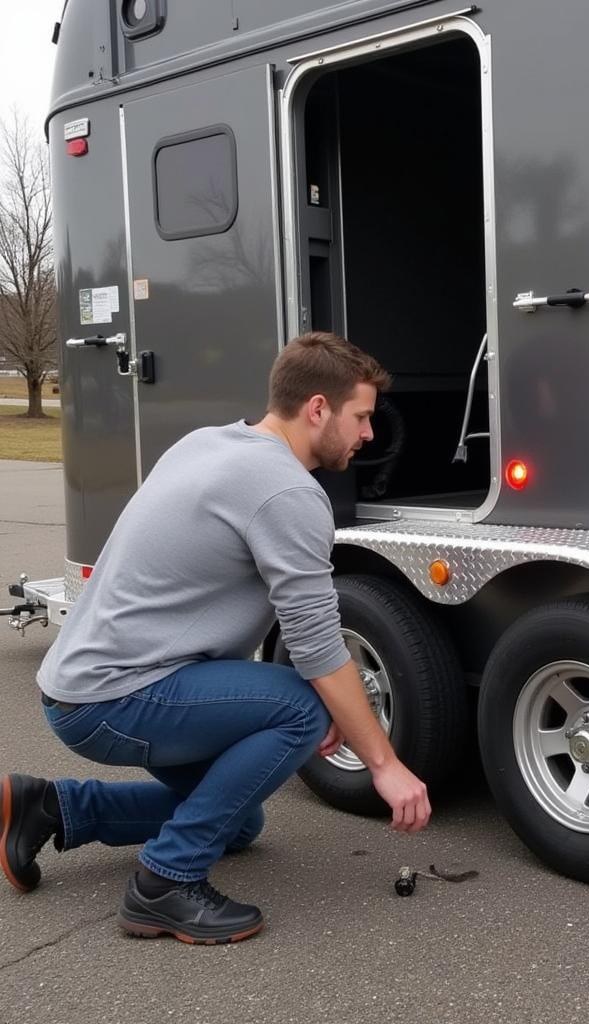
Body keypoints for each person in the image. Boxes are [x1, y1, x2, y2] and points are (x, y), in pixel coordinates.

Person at [0, 332, 430, 945]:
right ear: (316, 408)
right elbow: (315, 647)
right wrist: (382, 763)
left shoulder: (210, 442)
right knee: (303, 703)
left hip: (83, 686)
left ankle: (55, 807)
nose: (368, 434)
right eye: (360, 417)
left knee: (237, 821)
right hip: (110, 699)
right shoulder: (286, 491)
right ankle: (164, 885)